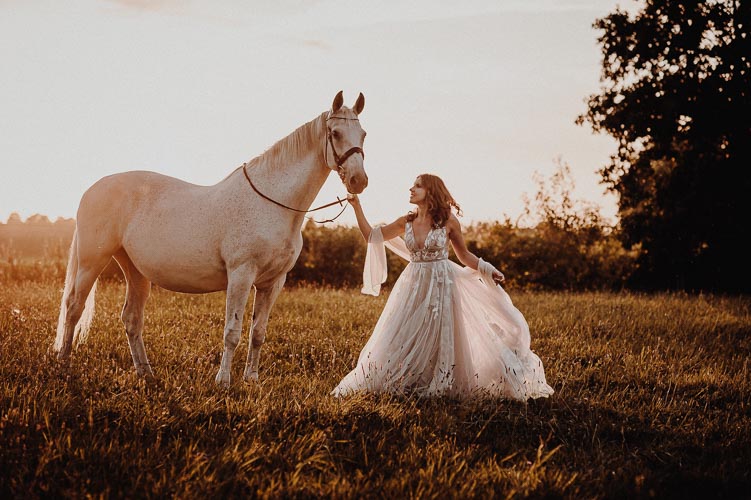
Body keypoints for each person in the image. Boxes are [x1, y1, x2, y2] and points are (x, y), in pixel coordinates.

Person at [332, 174, 554, 400]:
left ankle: (442, 379)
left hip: (441, 284)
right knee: (407, 330)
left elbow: (464, 255)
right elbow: (371, 236)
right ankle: (405, 378)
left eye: (417, 186)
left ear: (430, 191)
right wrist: (356, 206)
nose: (410, 189)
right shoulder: (405, 221)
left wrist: (487, 268)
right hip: (413, 285)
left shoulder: (448, 221)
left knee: (441, 332)